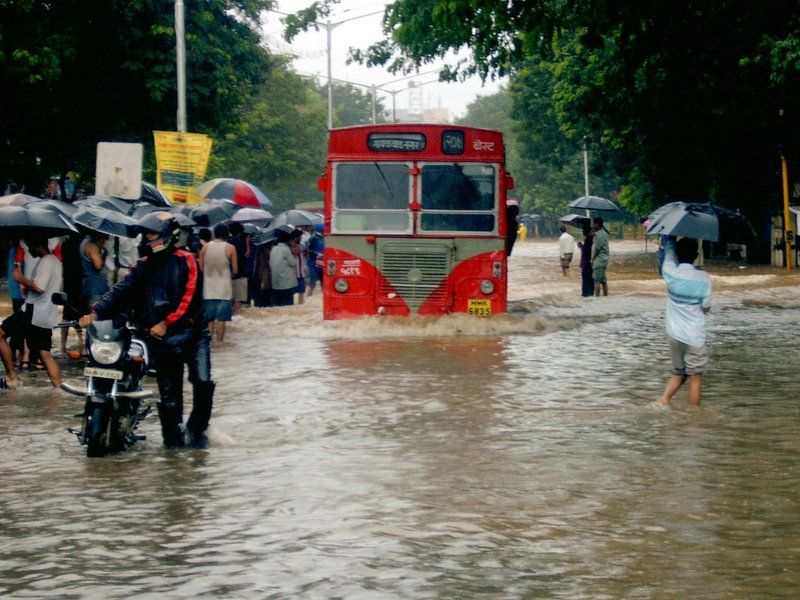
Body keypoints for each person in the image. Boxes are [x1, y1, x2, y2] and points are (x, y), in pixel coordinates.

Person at [79, 213, 214, 448]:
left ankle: (196, 429)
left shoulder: (187, 260)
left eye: (152, 234)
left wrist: (167, 322)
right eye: (147, 234)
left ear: (167, 235)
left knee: (202, 382)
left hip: (192, 334)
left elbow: (190, 297)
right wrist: (96, 312)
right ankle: (173, 446)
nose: (148, 238)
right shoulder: (141, 265)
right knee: (169, 396)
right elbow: (121, 290)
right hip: (161, 339)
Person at [0, 237, 63, 389]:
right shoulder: (54, 261)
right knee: (45, 354)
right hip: (45, 314)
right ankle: (59, 389)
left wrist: (20, 279)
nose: (29, 251)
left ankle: (11, 377)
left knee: (0, 334)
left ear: (38, 245)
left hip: (32, 311)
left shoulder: (46, 261)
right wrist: (27, 287)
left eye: (30, 247)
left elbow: (39, 287)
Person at [657, 237, 712, 406]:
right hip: (695, 335)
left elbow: (668, 253)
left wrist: (669, 240)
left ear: (677, 256)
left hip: (674, 333)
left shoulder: (670, 272)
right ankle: (694, 417)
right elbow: (706, 307)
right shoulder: (703, 278)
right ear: (696, 255)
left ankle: (662, 402)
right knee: (695, 377)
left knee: (679, 373)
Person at [198, 223, 237, 342]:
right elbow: (235, 270)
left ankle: (210, 342)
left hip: (208, 287)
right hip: (225, 288)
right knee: (221, 319)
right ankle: (220, 342)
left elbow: (201, 268)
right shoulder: (231, 248)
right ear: (226, 234)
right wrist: (228, 275)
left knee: (209, 318)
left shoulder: (205, 247)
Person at [269, 226, 298, 306]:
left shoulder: (273, 248)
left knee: (278, 306)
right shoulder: (286, 249)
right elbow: (293, 263)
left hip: (276, 282)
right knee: (288, 306)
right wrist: (295, 254)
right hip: (286, 283)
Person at [80, 233, 109, 305]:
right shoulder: (92, 246)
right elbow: (98, 266)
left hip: (92, 286)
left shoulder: (85, 242)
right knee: (96, 309)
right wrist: (104, 253)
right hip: (96, 288)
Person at [227, 222, 249, 314]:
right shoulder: (239, 242)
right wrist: (247, 244)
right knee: (238, 300)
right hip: (239, 274)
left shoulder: (227, 242)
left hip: (228, 274)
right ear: (240, 232)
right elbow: (246, 255)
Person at [590, 216, 610, 296]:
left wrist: (592, 259)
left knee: (596, 280)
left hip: (599, 260)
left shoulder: (598, 235)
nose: (592, 225)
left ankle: (597, 298)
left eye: (593, 224)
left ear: (597, 224)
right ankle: (605, 297)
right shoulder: (604, 233)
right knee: (603, 280)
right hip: (604, 259)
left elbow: (597, 249)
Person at [306, 223, 325, 297]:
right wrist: (316, 254)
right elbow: (308, 251)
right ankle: (308, 298)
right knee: (312, 284)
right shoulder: (313, 239)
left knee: (324, 285)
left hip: (322, 265)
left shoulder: (325, 239)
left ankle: (323, 299)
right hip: (313, 265)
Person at [577, 221, 594, 297]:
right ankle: (591, 293)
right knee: (590, 278)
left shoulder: (589, 239)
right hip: (591, 261)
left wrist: (581, 246)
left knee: (586, 278)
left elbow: (587, 251)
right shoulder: (592, 239)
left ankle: (586, 294)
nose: (583, 232)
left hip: (587, 261)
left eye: (583, 231)